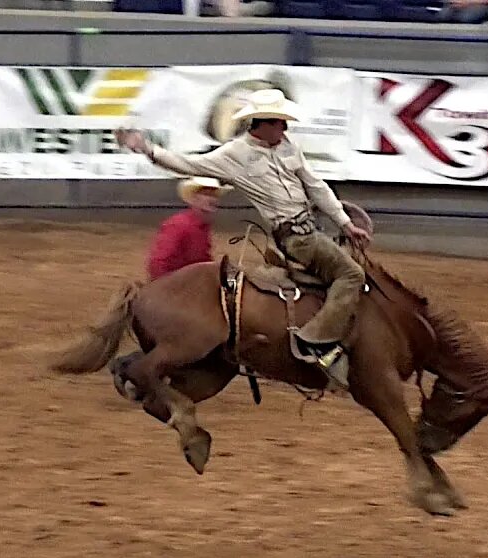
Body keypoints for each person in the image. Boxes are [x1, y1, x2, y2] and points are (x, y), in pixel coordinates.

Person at [116, 88, 372, 388]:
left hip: (311, 231)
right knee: (352, 275)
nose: (285, 128)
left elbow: (316, 187)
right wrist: (147, 149)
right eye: (279, 122)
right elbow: (189, 165)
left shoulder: (289, 147)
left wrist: (343, 221)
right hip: (296, 239)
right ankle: (316, 342)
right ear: (261, 124)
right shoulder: (234, 155)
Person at [145, 177, 230, 281]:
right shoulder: (178, 225)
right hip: (174, 286)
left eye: (214, 195)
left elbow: (202, 260)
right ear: (194, 199)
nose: (212, 199)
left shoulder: (203, 225)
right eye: (206, 194)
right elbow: (158, 263)